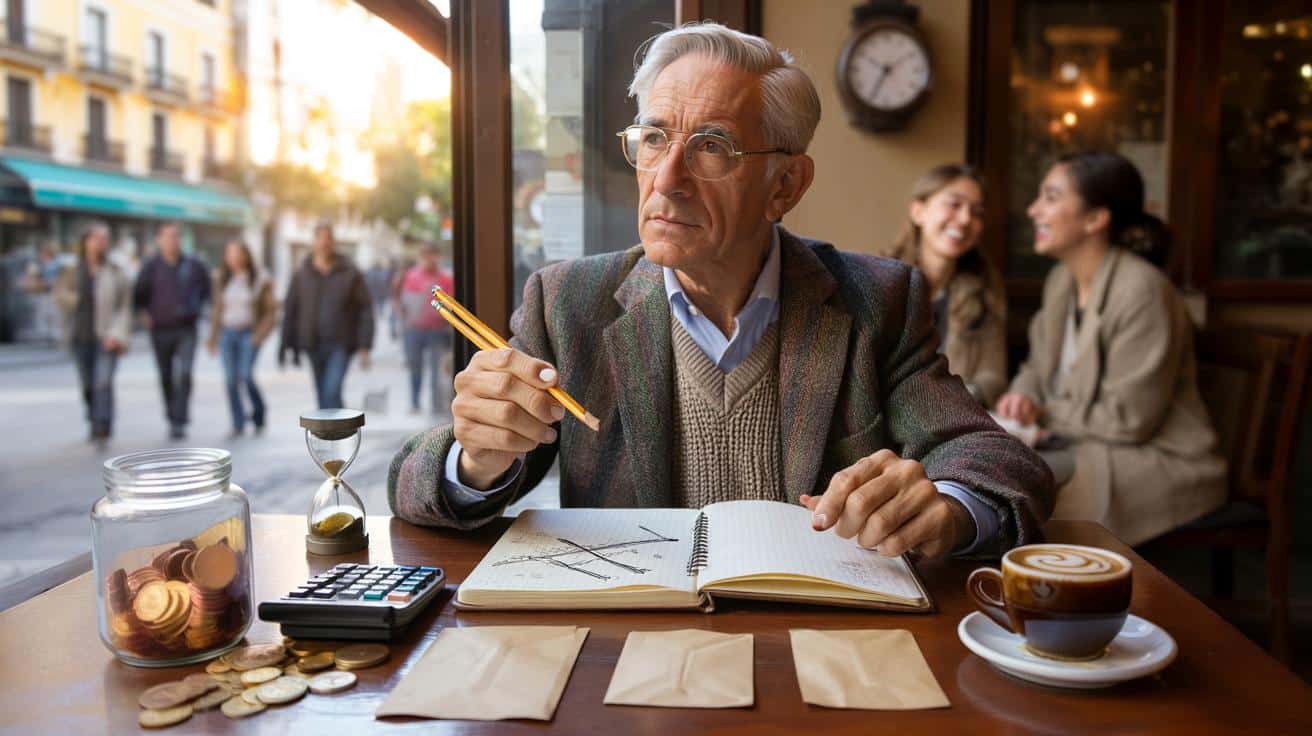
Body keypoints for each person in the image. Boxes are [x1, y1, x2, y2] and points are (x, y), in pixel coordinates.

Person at [388, 23, 1053, 557]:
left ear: (785, 185)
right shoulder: (569, 302)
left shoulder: (874, 300)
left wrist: (947, 507)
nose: (667, 179)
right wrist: (476, 460)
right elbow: (411, 483)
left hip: (811, 642)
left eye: (711, 147)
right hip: (630, 644)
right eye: (654, 138)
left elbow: (998, 460)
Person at [995, 151, 1225, 546]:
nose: (1033, 210)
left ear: (1095, 219)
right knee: (994, 467)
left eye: (1051, 197)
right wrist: (1022, 397)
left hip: (1156, 456)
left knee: (1010, 482)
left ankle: (1028, 580)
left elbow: (1130, 420)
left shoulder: (1142, 290)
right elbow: (1036, 366)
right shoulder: (1060, 281)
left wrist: (1043, 416)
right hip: (1078, 441)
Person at [884, 164, 1006, 406]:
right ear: (918, 212)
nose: (966, 219)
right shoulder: (878, 282)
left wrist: (957, 396)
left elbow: (994, 377)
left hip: (957, 419)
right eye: (954, 204)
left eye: (977, 212)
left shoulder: (985, 291)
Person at [279, 222, 374, 410]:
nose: (324, 243)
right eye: (320, 238)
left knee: (332, 391)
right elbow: (291, 309)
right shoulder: (302, 273)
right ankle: (329, 427)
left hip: (341, 343)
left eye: (328, 239)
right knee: (322, 394)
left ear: (333, 242)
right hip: (312, 343)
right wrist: (286, 344)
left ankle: (339, 427)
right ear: (313, 242)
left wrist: (365, 344)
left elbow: (365, 308)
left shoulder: (350, 272)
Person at [52, 223, 131, 447]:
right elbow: (58, 294)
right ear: (85, 241)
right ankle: (93, 419)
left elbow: (124, 307)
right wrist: (76, 299)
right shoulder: (72, 269)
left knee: (103, 382)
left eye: (104, 238)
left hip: (107, 335)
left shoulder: (115, 270)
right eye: (96, 238)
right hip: (80, 336)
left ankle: (103, 426)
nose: (100, 243)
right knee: (88, 384)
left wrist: (118, 334)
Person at [134, 221, 210, 440]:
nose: (173, 240)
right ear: (159, 240)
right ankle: (171, 415)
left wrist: (198, 308)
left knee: (184, 373)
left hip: (187, 328)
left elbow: (207, 290)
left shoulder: (194, 264)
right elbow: (139, 295)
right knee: (166, 375)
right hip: (160, 329)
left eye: (176, 236)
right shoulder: (151, 266)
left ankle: (180, 420)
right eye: (168, 236)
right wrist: (145, 316)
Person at [207, 240, 277, 438]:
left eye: (237, 253)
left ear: (246, 255)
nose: (234, 257)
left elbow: (271, 312)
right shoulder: (221, 278)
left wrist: (259, 335)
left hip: (249, 334)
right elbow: (217, 309)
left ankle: (259, 411)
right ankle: (237, 422)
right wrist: (212, 338)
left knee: (246, 375)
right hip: (227, 334)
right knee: (230, 379)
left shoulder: (260, 278)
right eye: (229, 253)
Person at [398, 244, 455, 415]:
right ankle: (415, 402)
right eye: (426, 256)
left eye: (433, 255)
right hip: (414, 330)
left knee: (436, 369)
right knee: (415, 367)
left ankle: (436, 404)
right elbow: (404, 300)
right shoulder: (412, 276)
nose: (429, 260)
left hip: (437, 330)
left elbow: (451, 303)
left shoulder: (446, 278)